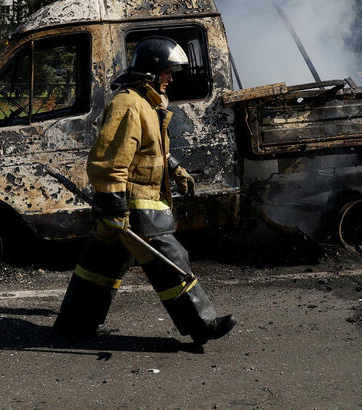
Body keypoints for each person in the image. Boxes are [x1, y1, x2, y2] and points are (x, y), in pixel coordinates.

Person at [54, 36, 237, 345]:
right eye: (167, 72)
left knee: (99, 265)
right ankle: (202, 324)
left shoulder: (147, 104)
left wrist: (176, 168)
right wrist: (115, 208)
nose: (170, 79)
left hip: (128, 206)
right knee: (171, 259)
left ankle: (75, 323)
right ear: (152, 71)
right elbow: (111, 159)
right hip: (133, 205)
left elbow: (153, 151)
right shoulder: (128, 104)